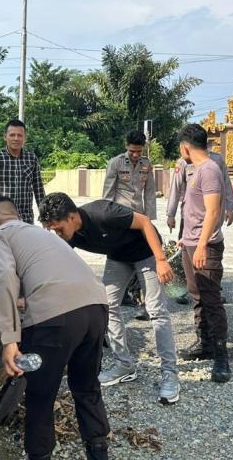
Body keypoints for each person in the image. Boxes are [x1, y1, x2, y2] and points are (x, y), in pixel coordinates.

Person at [0, 195, 111, 460]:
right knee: (86, 387)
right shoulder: (43, 235)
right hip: (97, 308)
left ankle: (39, 455)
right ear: (17, 217)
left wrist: (9, 340)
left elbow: (3, 277)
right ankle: (99, 452)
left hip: (56, 319)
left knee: (41, 395)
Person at [39, 192, 180, 405]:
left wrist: (161, 259)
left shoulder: (104, 213)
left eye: (58, 228)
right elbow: (54, 262)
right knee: (107, 305)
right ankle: (124, 364)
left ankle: (170, 374)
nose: (58, 234)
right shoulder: (70, 235)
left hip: (146, 252)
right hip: (119, 256)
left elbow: (144, 222)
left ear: (71, 217)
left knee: (156, 310)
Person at [175, 123, 232, 383]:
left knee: (211, 298)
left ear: (185, 147)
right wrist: (184, 239)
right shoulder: (196, 169)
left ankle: (221, 357)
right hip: (190, 242)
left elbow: (211, 211)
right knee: (196, 294)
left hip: (204, 246)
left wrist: (200, 245)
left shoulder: (209, 170)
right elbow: (192, 209)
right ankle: (204, 343)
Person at [167, 151, 233, 305]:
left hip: (211, 216)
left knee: (211, 255)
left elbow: (226, 183)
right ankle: (184, 288)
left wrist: (229, 207)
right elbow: (176, 188)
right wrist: (170, 214)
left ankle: (212, 290)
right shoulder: (183, 162)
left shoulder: (216, 160)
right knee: (185, 256)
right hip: (190, 217)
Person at [102, 130, 157, 321]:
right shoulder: (115, 163)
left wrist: (149, 221)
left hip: (139, 218)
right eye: (132, 151)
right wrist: (106, 219)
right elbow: (108, 193)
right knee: (117, 257)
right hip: (119, 217)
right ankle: (118, 293)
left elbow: (150, 193)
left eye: (139, 152)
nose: (135, 155)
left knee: (140, 257)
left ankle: (141, 302)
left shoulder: (147, 165)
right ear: (126, 146)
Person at [0, 119, 46, 224]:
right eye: (12, 135)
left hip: (25, 218)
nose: (16, 138)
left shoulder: (31, 158)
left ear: (25, 138)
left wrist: (45, 216)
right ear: (5, 136)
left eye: (20, 135)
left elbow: (39, 190)